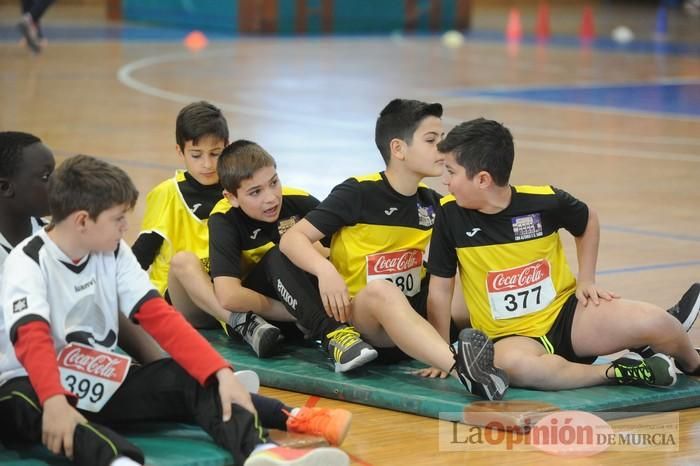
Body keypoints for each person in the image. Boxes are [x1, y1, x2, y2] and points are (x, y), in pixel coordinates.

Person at [0, 154, 349, 466]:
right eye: (118, 219)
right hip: (29, 383)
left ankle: (260, 454)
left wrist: (219, 372)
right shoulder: (28, 262)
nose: (126, 228)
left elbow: (160, 317)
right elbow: (33, 338)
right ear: (81, 222)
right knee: (45, 410)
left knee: (193, 377)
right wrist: (54, 400)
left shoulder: (113, 251)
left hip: (95, 376)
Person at [427, 117, 700, 396]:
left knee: (657, 322)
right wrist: (440, 352)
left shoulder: (544, 200)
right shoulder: (449, 215)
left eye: (451, 171)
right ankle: (619, 371)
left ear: (482, 179)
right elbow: (440, 289)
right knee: (515, 366)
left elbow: (587, 219)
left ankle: (693, 362)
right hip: (512, 338)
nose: (445, 181)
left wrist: (587, 280)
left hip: (569, 318)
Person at [278, 99, 508, 399]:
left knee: (473, 282)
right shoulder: (358, 192)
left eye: (442, 138)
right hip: (365, 323)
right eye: (431, 140)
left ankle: (516, 349)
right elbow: (291, 239)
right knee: (381, 291)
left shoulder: (433, 203)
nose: (442, 148)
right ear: (398, 149)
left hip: (411, 319)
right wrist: (325, 270)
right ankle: (462, 369)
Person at [207, 139, 378, 370]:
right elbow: (229, 296)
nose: (271, 197)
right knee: (282, 252)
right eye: (255, 192)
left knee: (314, 253)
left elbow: (342, 249)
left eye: (274, 182)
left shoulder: (298, 200)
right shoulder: (223, 220)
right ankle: (334, 336)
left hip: (308, 312)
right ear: (232, 198)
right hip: (267, 319)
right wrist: (299, 314)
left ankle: (341, 329)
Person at [131, 101, 232, 332]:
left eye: (215, 153)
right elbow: (141, 255)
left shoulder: (238, 189)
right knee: (185, 262)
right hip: (184, 301)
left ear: (228, 147)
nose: (207, 164)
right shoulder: (167, 193)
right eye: (196, 155)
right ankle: (240, 323)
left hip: (228, 291)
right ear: (180, 151)